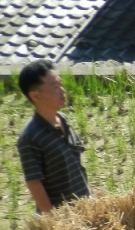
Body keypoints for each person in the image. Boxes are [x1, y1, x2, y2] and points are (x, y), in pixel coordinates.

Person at [16, 59, 89, 213]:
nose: (62, 91)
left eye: (60, 84)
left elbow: (77, 166)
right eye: (55, 87)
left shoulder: (63, 119)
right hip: (64, 219)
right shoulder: (30, 138)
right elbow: (35, 184)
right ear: (35, 96)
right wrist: (54, 222)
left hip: (84, 210)